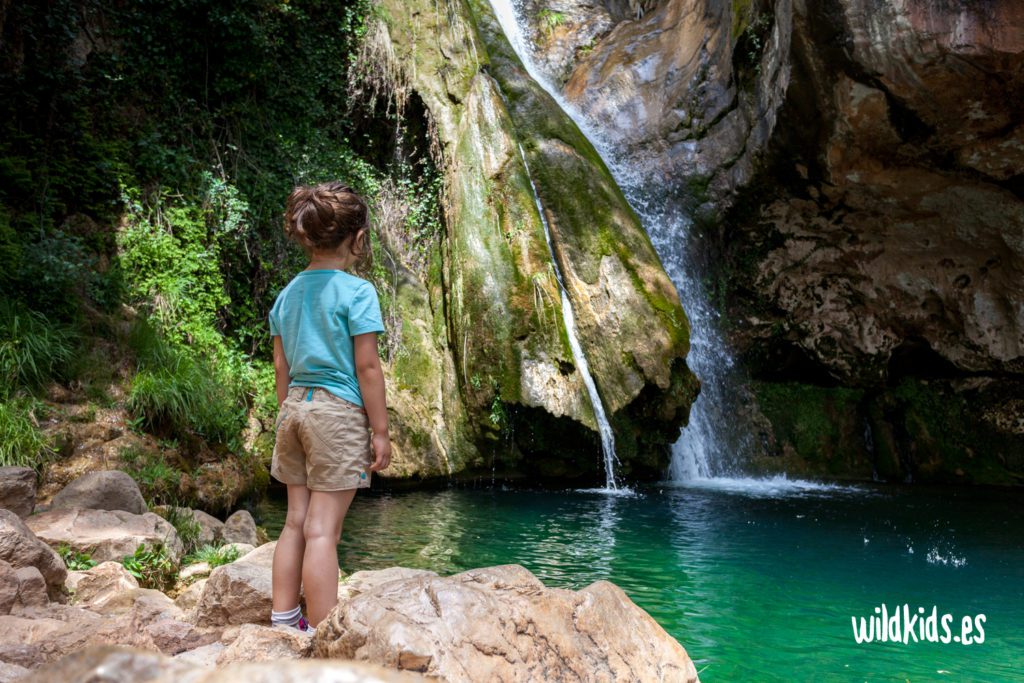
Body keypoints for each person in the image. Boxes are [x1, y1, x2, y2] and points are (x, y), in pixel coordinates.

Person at [267, 181, 391, 634]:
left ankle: (283, 619)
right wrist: (380, 430)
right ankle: (321, 631)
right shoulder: (357, 294)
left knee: (295, 522)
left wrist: (287, 414)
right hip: (336, 414)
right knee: (324, 531)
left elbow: (281, 364)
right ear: (358, 239)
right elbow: (368, 368)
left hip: (294, 408)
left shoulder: (287, 295)